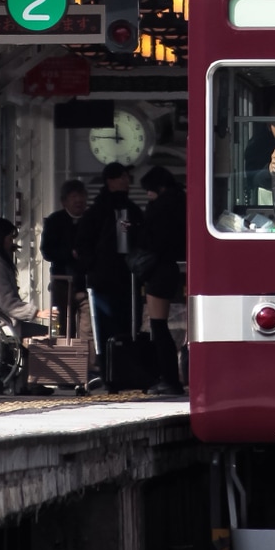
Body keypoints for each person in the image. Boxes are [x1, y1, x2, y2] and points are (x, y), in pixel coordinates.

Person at [74, 163, 144, 354]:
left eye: (126, 177)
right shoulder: (98, 213)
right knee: (108, 325)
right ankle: (111, 367)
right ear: (109, 181)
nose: (125, 181)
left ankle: (124, 366)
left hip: (124, 278)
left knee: (127, 325)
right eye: (120, 177)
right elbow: (84, 246)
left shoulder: (130, 210)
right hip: (106, 279)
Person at [138, 165, 186, 397]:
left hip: (158, 269)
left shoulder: (159, 210)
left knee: (158, 325)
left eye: (149, 190)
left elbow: (151, 239)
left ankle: (169, 378)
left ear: (159, 188)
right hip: (173, 268)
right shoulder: (182, 203)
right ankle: (172, 377)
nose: (147, 195)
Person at [40, 179, 89, 337]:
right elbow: (46, 251)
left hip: (86, 283)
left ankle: (86, 360)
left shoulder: (91, 219)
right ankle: (60, 357)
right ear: (64, 201)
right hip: (61, 282)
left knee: (88, 329)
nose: (79, 200)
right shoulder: (54, 221)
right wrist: (69, 253)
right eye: (74, 196)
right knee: (59, 327)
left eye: (82, 196)